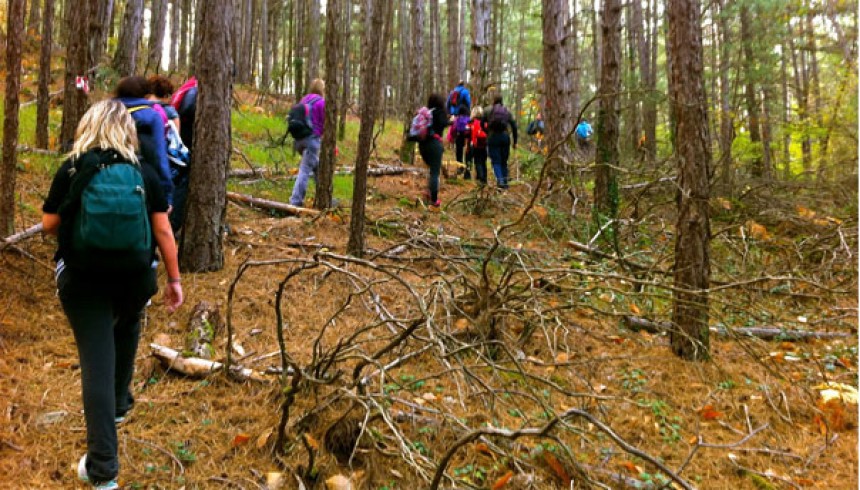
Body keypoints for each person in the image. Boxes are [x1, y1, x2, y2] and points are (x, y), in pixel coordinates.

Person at [41, 100, 184, 490]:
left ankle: (103, 469)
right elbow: (163, 233)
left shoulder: (73, 167)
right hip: (134, 279)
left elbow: (49, 224)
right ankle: (118, 407)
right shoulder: (144, 171)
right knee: (129, 320)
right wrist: (174, 280)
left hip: (83, 280)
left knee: (96, 363)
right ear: (127, 131)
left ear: (89, 125)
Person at [115, 76, 173, 210]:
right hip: (142, 179)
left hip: (104, 178)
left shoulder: (105, 112)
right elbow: (160, 156)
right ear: (147, 95)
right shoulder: (152, 116)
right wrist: (166, 194)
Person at [288, 78, 326, 207]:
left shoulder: (304, 99)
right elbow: (325, 123)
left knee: (318, 168)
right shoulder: (321, 102)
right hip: (312, 141)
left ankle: (324, 198)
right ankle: (295, 201)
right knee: (304, 170)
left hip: (299, 141)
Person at [170, 76, 198, 233]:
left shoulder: (190, 85)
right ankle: (173, 224)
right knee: (183, 182)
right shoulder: (196, 89)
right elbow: (187, 109)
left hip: (182, 140)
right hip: (186, 141)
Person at [418, 93, 449, 207]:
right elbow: (444, 124)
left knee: (431, 171)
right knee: (435, 173)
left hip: (422, 145)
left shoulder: (426, 113)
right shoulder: (440, 113)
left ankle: (428, 193)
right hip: (435, 145)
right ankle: (434, 199)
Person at [484, 95, 518, 189]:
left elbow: (482, 122)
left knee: (496, 161)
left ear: (493, 101)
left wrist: (486, 132)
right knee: (504, 160)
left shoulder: (488, 110)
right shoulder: (507, 111)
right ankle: (505, 182)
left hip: (493, 136)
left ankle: (500, 181)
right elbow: (514, 126)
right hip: (505, 137)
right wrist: (515, 141)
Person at [467, 106, 489, 186]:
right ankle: (485, 179)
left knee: (478, 162)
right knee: (483, 162)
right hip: (484, 145)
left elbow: (469, 134)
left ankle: (481, 178)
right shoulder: (485, 122)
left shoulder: (473, 122)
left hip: (476, 145)